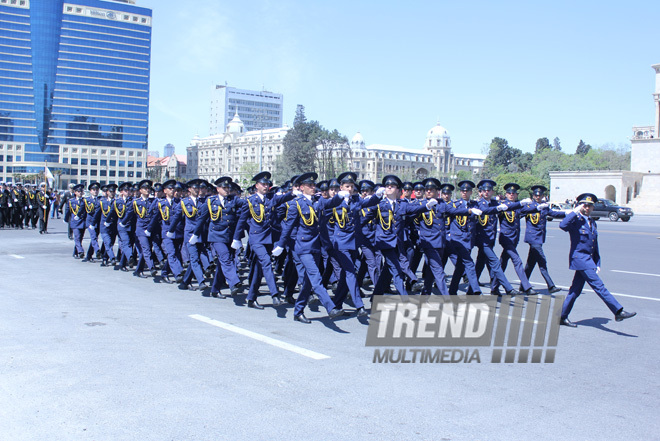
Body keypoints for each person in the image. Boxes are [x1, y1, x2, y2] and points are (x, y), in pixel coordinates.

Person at [273, 172, 346, 322]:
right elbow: (288, 227)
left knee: (307, 283)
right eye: (309, 185)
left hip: (315, 247)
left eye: (314, 185)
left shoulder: (317, 201)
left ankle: (298, 312)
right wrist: (281, 245)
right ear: (301, 187)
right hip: (303, 247)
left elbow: (331, 203)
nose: (313, 187)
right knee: (316, 277)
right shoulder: (296, 204)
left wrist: (340, 196)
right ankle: (330, 307)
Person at [559, 193, 636, 327]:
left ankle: (562, 316)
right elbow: (562, 225)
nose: (587, 208)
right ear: (580, 206)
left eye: (590, 206)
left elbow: (594, 244)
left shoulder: (592, 222)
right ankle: (618, 311)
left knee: (575, 291)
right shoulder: (576, 220)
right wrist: (574, 211)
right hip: (580, 259)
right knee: (599, 286)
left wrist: (597, 262)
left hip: (588, 260)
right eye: (585, 205)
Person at [523, 185, 565, 293]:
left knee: (530, 263)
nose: (538, 197)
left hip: (539, 238)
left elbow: (553, 213)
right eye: (536, 195)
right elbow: (520, 213)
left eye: (540, 195)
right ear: (533, 196)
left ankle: (523, 284)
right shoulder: (529, 206)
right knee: (542, 261)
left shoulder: (544, 206)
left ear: (543, 196)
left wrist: (568, 213)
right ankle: (551, 285)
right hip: (533, 238)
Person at [63, 183, 87, 258]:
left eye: (81, 191)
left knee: (80, 238)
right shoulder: (71, 201)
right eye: (78, 191)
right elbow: (68, 211)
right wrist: (66, 219)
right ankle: (80, 251)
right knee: (77, 237)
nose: (80, 193)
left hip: (82, 221)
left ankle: (75, 252)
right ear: (75, 192)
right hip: (75, 222)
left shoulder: (85, 201)